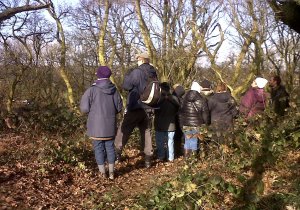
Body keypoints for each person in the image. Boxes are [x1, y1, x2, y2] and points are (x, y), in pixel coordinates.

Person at [114, 52, 158, 168]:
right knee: (146, 132)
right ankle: (148, 159)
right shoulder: (153, 73)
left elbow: (126, 86)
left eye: (138, 59)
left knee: (124, 129)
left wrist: (128, 75)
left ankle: (116, 153)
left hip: (136, 107)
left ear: (141, 60)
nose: (137, 61)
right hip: (149, 107)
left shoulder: (137, 72)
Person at [80, 66, 123, 180]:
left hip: (96, 126)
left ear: (98, 75)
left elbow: (84, 109)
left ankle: (103, 173)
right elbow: (119, 108)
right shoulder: (114, 90)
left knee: (98, 148)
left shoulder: (91, 90)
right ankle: (112, 173)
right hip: (110, 125)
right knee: (110, 147)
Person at [179, 81, 210, 159]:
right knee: (194, 142)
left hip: (185, 123)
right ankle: (192, 160)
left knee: (188, 142)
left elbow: (181, 113)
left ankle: (186, 159)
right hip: (197, 123)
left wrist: (181, 124)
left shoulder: (184, 99)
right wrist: (206, 124)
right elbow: (205, 114)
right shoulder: (202, 99)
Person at [154, 82, 180, 163]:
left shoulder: (157, 99)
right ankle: (171, 158)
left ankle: (161, 157)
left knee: (160, 142)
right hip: (171, 124)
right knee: (170, 142)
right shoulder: (174, 99)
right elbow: (178, 108)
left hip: (159, 124)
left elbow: (154, 110)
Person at [172, 84, 185, 158]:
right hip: (181, 120)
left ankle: (176, 152)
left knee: (176, 137)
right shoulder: (183, 99)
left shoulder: (172, 98)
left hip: (175, 119)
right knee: (181, 137)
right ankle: (181, 152)